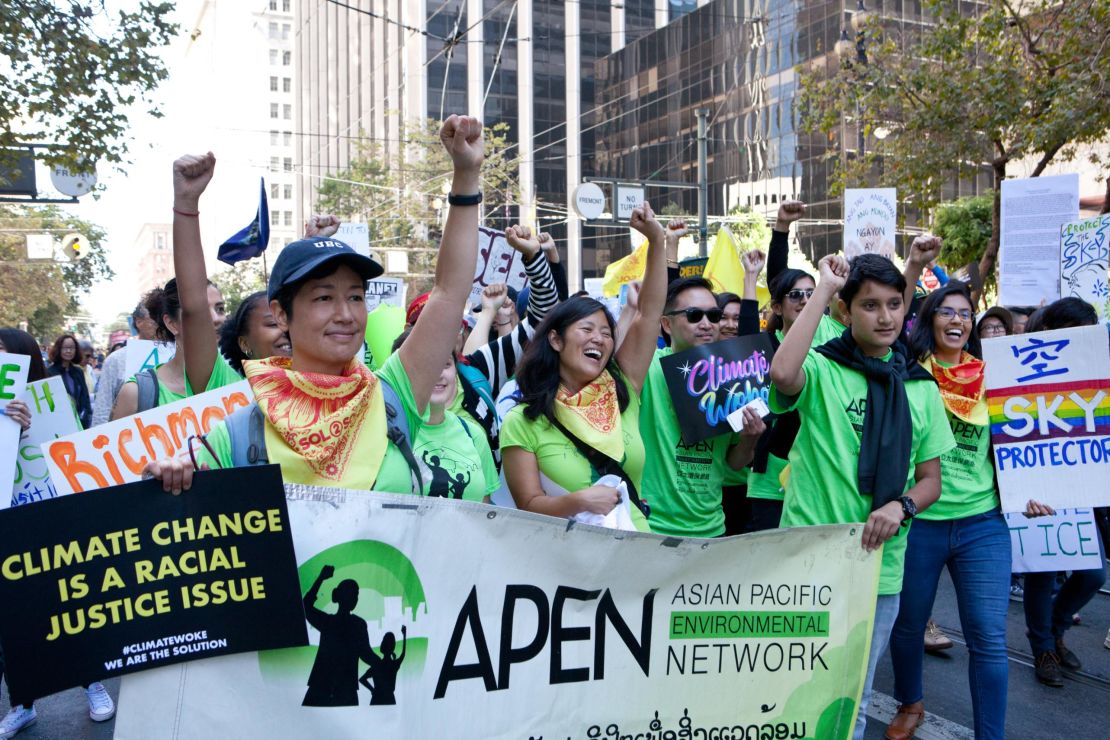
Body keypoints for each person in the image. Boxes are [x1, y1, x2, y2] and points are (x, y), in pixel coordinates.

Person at [143, 114, 485, 495]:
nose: (345, 314)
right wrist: (170, 475)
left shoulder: (393, 396)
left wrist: (466, 176)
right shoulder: (239, 435)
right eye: (324, 297)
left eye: (355, 296)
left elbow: (450, 293)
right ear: (280, 313)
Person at [769, 253, 954, 740]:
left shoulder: (920, 388)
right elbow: (782, 374)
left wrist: (902, 505)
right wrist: (825, 287)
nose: (886, 316)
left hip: (879, 567)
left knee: (853, 692)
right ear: (845, 313)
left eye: (894, 304)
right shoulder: (824, 369)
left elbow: (931, 480)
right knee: (793, 685)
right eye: (870, 305)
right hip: (807, 557)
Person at [503, 202, 701, 531]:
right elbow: (527, 504)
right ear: (555, 340)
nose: (599, 339)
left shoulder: (623, 388)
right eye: (587, 329)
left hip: (637, 552)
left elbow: (650, 313)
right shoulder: (523, 420)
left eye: (607, 333)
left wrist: (656, 241)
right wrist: (577, 501)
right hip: (569, 567)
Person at [886, 277, 1010, 740]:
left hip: (983, 524)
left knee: (989, 639)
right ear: (928, 319)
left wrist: (1034, 490)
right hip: (920, 522)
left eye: (965, 313)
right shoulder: (908, 373)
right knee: (909, 623)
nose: (957, 320)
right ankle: (910, 703)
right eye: (946, 311)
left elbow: (1025, 443)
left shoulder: (996, 376)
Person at [635, 266, 766, 538]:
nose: (706, 324)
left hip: (712, 528)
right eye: (694, 316)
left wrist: (749, 440)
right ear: (667, 324)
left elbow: (734, 463)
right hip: (653, 528)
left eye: (713, 315)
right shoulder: (646, 367)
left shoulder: (733, 376)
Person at [1020, 295, 1106, 687]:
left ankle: (1054, 629)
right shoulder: (1020, 366)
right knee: (1042, 574)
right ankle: (1043, 649)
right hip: (1035, 489)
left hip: (1079, 484)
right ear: (1051, 332)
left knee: (1092, 574)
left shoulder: (1095, 367)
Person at [392, 329, 498, 503]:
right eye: (423, 364)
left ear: (456, 371)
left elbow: (483, 513)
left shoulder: (474, 435)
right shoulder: (386, 433)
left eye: (445, 364)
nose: (437, 373)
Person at [109, 277, 229, 419]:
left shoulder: (242, 376)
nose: (216, 318)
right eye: (200, 310)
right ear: (171, 323)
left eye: (220, 309)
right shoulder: (135, 393)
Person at [301, 565, 376, 706]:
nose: (355, 598)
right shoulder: (354, 624)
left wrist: (321, 578)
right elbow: (366, 654)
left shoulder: (332, 622)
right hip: (334, 689)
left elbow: (366, 653)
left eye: (356, 594)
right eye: (353, 594)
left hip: (334, 688)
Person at [91, 303, 160, 426]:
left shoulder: (177, 354)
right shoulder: (116, 360)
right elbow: (103, 408)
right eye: (154, 319)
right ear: (138, 322)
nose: (161, 324)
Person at [218, 292, 292, 375]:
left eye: (292, 322)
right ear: (245, 344)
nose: (288, 329)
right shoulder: (233, 385)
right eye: (273, 324)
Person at [45, 334, 92, 428]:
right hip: (59, 423)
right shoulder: (49, 372)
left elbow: (85, 397)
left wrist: (87, 415)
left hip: (80, 421)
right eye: (65, 348)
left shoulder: (78, 371)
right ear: (58, 349)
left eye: (72, 348)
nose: (68, 351)